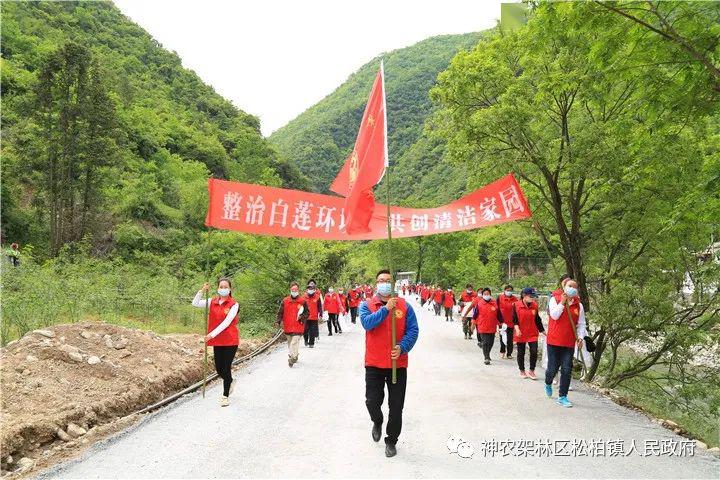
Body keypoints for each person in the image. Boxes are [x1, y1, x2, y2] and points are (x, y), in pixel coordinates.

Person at [360, 269, 419, 458]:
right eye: (380, 280)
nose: (384, 283)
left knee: (396, 406)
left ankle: (391, 440)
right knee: (372, 401)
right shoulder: (367, 305)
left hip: (397, 364)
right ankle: (377, 420)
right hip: (374, 364)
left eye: (387, 280)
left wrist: (402, 347)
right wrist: (385, 310)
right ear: (376, 284)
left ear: (393, 283)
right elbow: (367, 324)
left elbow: (413, 330)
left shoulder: (405, 306)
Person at [192, 278, 239, 406]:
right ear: (218, 288)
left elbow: (227, 323)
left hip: (230, 340)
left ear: (230, 289)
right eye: (221, 286)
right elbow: (195, 303)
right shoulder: (212, 301)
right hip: (218, 341)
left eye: (225, 287)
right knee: (219, 369)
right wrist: (202, 290)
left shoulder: (234, 304)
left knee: (226, 367)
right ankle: (230, 381)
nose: (223, 289)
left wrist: (210, 335)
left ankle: (225, 396)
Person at [544, 279, 586, 407]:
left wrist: (580, 338)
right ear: (564, 287)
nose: (573, 288)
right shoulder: (554, 299)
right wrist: (562, 302)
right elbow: (555, 316)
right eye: (570, 286)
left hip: (568, 342)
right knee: (552, 368)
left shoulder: (579, 305)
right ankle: (548, 382)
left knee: (567, 369)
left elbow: (581, 324)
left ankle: (562, 396)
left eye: (575, 286)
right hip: (554, 340)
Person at [513, 287, 545, 380]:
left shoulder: (535, 305)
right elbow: (514, 320)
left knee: (534, 351)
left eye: (533, 296)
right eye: (531, 296)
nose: (532, 298)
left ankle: (532, 370)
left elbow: (537, 319)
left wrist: (542, 330)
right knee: (521, 352)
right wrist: (517, 329)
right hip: (521, 332)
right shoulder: (516, 305)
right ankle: (522, 370)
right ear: (524, 295)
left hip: (532, 332)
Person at [276, 282, 309, 367]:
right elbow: (280, 312)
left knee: (294, 342)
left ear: (298, 290)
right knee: (291, 343)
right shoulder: (285, 301)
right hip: (288, 326)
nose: (294, 291)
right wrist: (278, 321)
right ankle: (294, 355)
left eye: (296, 290)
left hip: (298, 326)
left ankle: (292, 359)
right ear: (290, 290)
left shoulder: (302, 301)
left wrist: (301, 317)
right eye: (292, 290)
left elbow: (307, 313)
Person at [471, 287, 503, 365]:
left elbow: (499, 315)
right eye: (485, 294)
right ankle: (486, 357)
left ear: (490, 294)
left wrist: (501, 324)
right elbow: (475, 315)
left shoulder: (494, 303)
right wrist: (473, 324)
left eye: (488, 294)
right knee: (485, 342)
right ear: (482, 295)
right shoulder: (479, 304)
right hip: (482, 326)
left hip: (492, 326)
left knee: (491, 343)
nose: (486, 295)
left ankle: (487, 353)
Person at [497, 284, 518, 359]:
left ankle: (509, 353)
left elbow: (517, 310)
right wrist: (499, 320)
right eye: (507, 290)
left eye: (510, 290)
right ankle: (502, 351)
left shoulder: (515, 299)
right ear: (504, 291)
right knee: (502, 337)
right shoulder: (500, 298)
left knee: (510, 338)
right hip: (502, 321)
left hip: (511, 322)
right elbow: (497, 309)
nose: (509, 292)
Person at [302, 280, 323, 348]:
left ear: (314, 290)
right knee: (305, 330)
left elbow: (319, 306)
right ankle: (305, 340)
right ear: (307, 289)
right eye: (309, 288)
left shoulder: (317, 297)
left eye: (312, 289)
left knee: (312, 331)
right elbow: (300, 306)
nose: (310, 290)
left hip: (314, 317)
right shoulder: (303, 297)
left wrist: (320, 314)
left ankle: (311, 343)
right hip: (305, 317)